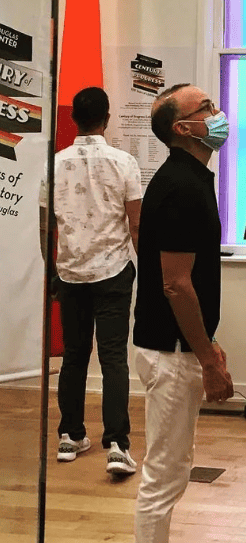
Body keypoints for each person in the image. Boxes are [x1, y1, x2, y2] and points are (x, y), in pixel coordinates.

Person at [122, 83, 234, 543]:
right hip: (169, 351)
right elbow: (175, 283)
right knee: (164, 476)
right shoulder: (183, 185)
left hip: (171, 346)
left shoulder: (187, 179)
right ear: (182, 129)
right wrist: (207, 357)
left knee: (171, 469)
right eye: (205, 108)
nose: (217, 113)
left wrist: (206, 345)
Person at [44, 86, 141, 475]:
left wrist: (52, 268)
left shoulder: (55, 164)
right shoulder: (124, 162)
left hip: (70, 273)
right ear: (108, 117)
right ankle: (117, 445)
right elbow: (136, 224)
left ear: (74, 120)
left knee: (74, 354)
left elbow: (44, 226)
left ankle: (70, 436)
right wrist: (146, 268)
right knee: (113, 357)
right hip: (114, 270)